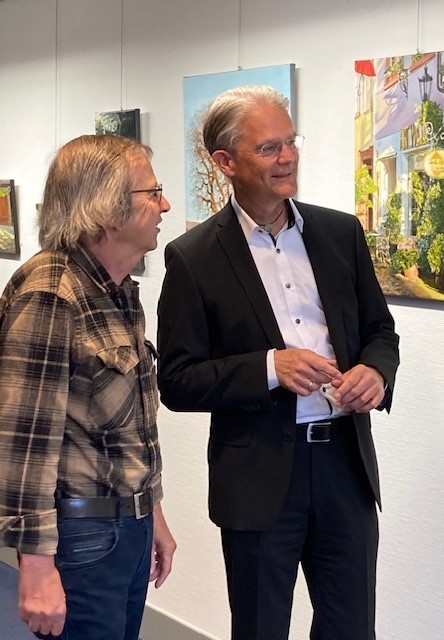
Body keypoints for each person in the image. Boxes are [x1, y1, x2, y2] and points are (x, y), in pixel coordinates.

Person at [157, 86, 400, 640]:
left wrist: (377, 372)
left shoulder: (340, 233)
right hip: (259, 479)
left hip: (345, 469)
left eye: (291, 142)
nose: (287, 157)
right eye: (268, 148)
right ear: (225, 162)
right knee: (261, 628)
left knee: (351, 628)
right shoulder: (193, 258)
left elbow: (380, 331)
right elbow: (176, 380)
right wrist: (270, 368)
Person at [0, 134, 176, 640]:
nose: (164, 204)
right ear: (109, 210)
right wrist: (36, 569)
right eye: (152, 192)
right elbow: (24, 446)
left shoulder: (118, 289)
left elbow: (128, 433)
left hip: (128, 528)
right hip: (82, 539)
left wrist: (153, 512)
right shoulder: (51, 293)